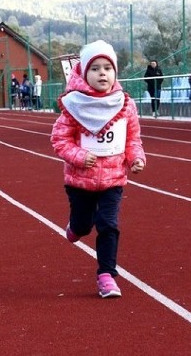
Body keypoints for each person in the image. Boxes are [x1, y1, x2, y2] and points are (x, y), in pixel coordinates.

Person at [51, 40, 145, 298]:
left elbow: (132, 139)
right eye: (95, 68)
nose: (102, 73)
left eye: (107, 68)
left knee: (108, 225)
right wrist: (79, 156)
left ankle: (106, 276)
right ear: (83, 72)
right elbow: (60, 140)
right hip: (80, 181)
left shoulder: (125, 104)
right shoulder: (73, 105)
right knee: (82, 226)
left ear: (115, 73)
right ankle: (76, 227)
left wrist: (136, 158)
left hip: (113, 180)